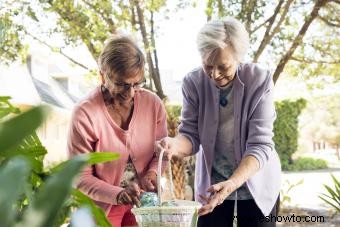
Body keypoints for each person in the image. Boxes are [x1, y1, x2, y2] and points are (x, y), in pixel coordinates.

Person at [157, 17, 281, 227]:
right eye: (208, 65)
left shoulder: (259, 80)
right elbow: (190, 135)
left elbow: (260, 144)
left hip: (256, 183)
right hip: (211, 188)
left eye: (223, 66)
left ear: (238, 57)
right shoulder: (193, 83)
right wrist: (174, 145)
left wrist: (232, 183)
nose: (214, 74)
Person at [67, 35, 167, 227]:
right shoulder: (85, 113)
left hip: (144, 203)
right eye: (121, 84)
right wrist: (118, 194)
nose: (130, 93)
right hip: (100, 206)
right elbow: (80, 175)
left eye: (137, 83)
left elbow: (161, 153)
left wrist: (152, 174)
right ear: (103, 76)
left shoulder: (153, 104)